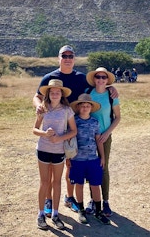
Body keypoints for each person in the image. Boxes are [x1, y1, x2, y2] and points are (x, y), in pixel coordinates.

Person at [33, 45, 119, 216]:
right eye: (64, 55)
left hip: (75, 128)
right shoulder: (49, 78)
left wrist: (110, 87)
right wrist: (39, 107)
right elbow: (37, 96)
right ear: (58, 58)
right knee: (52, 168)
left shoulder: (81, 78)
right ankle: (49, 199)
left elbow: (97, 86)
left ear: (74, 58)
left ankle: (69, 197)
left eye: (70, 55)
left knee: (70, 165)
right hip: (56, 128)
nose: (67, 58)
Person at [33, 79, 77, 230]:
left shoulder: (67, 110)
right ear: (48, 94)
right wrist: (44, 134)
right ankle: (40, 215)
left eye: (58, 92)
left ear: (61, 94)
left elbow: (73, 131)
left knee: (56, 182)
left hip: (58, 151)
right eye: (52, 92)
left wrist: (60, 138)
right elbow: (34, 129)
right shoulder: (42, 108)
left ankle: (56, 214)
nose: (55, 94)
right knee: (44, 182)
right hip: (43, 149)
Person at [84, 67, 121, 217]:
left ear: (107, 80)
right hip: (89, 137)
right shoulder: (88, 93)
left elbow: (118, 117)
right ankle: (93, 200)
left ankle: (105, 201)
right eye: (98, 77)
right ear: (94, 79)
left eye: (103, 77)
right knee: (90, 168)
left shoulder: (112, 95)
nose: (100, 79)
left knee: (103, 168)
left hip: (104, 137)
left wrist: (107, 133)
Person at [69, 94, 110, 225]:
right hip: (77, 159)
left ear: (91, 108)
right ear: (78, 107)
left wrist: (102, 157)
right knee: (79, 184)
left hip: (93, 158)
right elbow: (69, 140)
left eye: (88, 106)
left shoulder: (95, 122)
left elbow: (99, 141)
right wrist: (68, 158)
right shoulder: (74, 122)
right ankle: (81, 210)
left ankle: (98, 211)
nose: (85, 108)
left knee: (95, 185)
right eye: (83, 106)